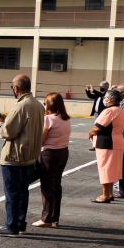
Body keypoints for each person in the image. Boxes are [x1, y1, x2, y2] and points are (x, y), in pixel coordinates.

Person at [0, 74, 44, 237]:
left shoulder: (21, 106)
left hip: (15, 156)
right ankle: (19, 223)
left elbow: (8, 132)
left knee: (12, 193)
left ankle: (11, 226)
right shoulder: (38, 105)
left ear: (16, 88)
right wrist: (7, 121)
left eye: (12, 87)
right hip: (29, 156)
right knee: (22, 192)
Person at [34, 93, 72, 228]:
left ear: (49, 105)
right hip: (63, 152)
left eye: (45, 103)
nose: (44, 105)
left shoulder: (48, 119)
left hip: (49, 154)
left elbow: (41, 139)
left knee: (47, 186)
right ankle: (55, 218)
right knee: (56, 185)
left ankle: (47, 218)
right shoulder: (65, 118)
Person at [90, 89, 124, 202]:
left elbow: (97, 127)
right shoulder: (120, 110)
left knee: (105, 169)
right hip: (117, 141)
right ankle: (109, 193)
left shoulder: (109, 111)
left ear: (110, 99)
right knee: (112, 169)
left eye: (106, 97)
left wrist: (90, 133)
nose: (104, 99)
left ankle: (105, 195)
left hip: (107, 142)